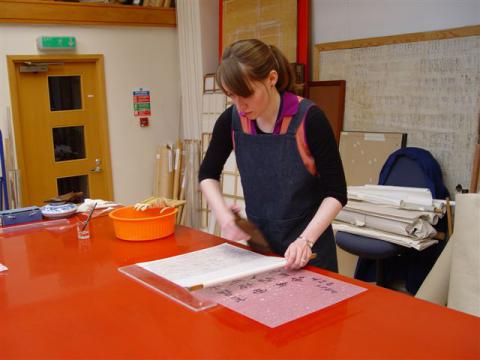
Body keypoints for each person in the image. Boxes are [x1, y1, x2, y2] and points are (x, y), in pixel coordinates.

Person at [199, 39, 347, 271]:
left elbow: (336, 193)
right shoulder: (232, 120)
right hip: (259, 248)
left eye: (245, 94)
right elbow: (207, 174)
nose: (239, 106)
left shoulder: (309, 119)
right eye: (231, 95)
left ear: (271, 78)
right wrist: (225, 217)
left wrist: (305, 240)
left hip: (307, 249)